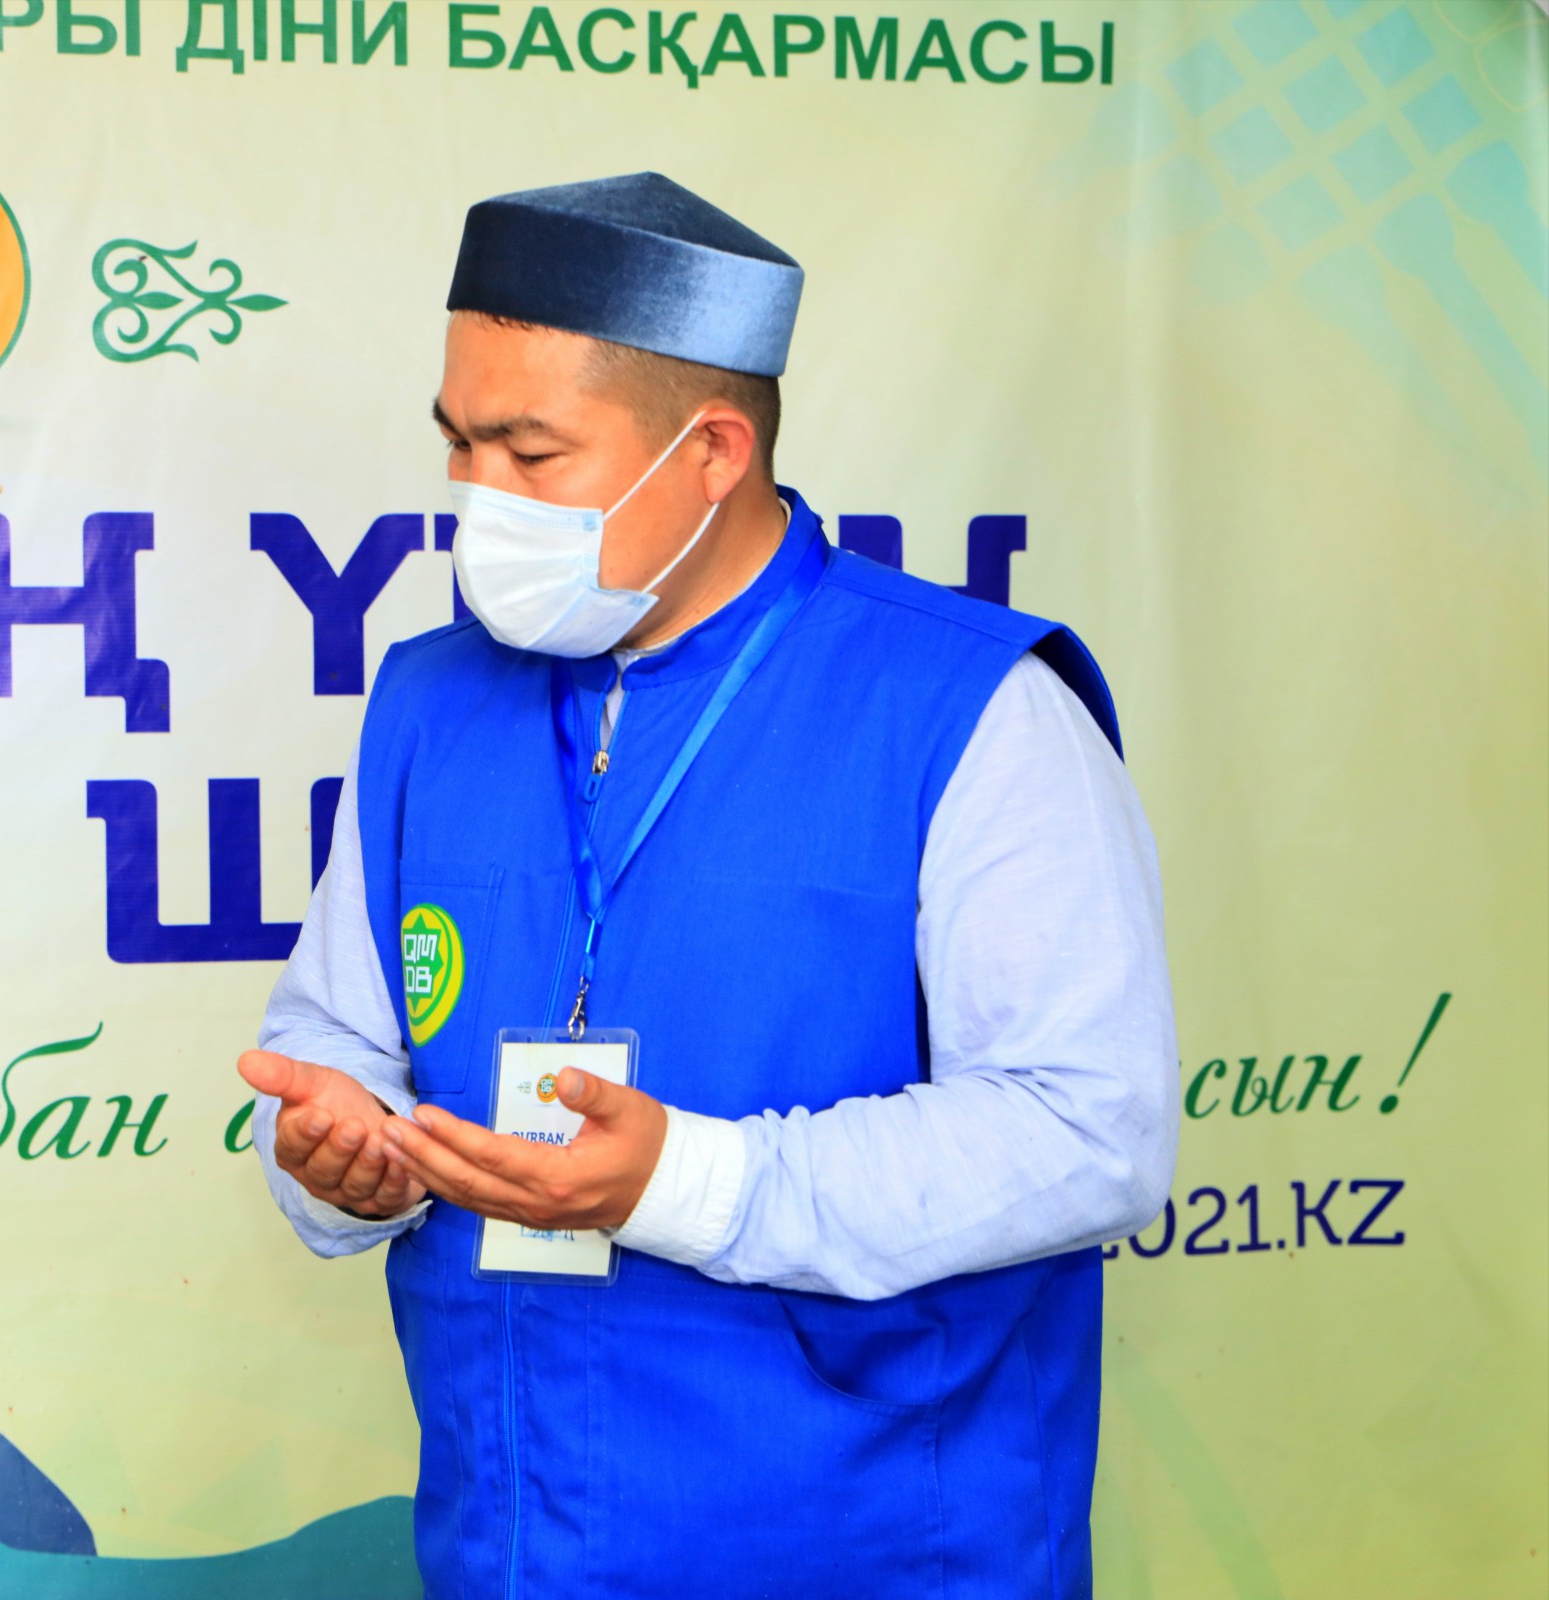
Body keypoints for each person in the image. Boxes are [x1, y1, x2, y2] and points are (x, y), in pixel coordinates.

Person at [238, 172, 1179, 1598]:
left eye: (531, 452)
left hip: (878, 1556)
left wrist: (687, 1181)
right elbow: (336, 1035)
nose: (478, 499)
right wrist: (341, 1157)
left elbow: (1087, 1125)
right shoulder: (428, 703)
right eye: (459, 444)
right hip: (511, 1550)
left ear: (712, 452)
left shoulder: (970, 708)